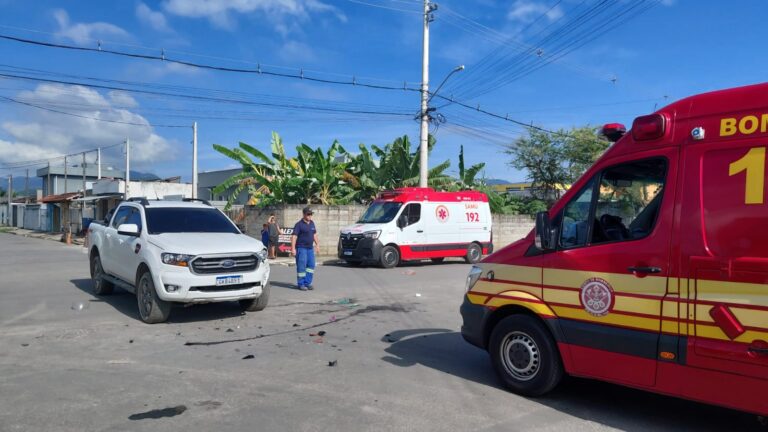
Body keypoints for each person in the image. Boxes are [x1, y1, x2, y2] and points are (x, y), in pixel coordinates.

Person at [291, 207, 319, 291]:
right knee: (301, 267)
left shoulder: (312, 223)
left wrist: (317, 245)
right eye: (308, 214)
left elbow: (314, 235)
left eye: (311, 214)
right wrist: (293, 248)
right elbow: (294, 236)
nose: (310, 216)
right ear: (304, 214)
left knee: (311, 265)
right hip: (301, 248)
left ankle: (307, 283)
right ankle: (301, 284)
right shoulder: (299, 224)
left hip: (310, 248)